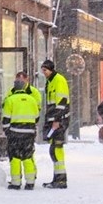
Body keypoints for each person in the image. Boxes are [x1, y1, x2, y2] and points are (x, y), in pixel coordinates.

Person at [1, 78, 40, 190]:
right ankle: (30, 182)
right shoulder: (32, 100)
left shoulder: (10, 100)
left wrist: (7, 131)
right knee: (28, 157)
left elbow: (6, 119)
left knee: (15, 158)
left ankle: (16, 183)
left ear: (14, 88)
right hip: (29, 133)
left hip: (15, 133)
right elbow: (37, 117)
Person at [40, 59, 70, 189]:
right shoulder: (51, 81)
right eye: (42, 71)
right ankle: (57, 178)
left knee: (56, 149)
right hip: (54, 119)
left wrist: (57, 120)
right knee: (54, 149)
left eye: (45, 70)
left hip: (59, 120)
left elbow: (62, 101)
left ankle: (61, 180)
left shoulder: (59, 80)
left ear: (51, 69)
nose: (44, 73)